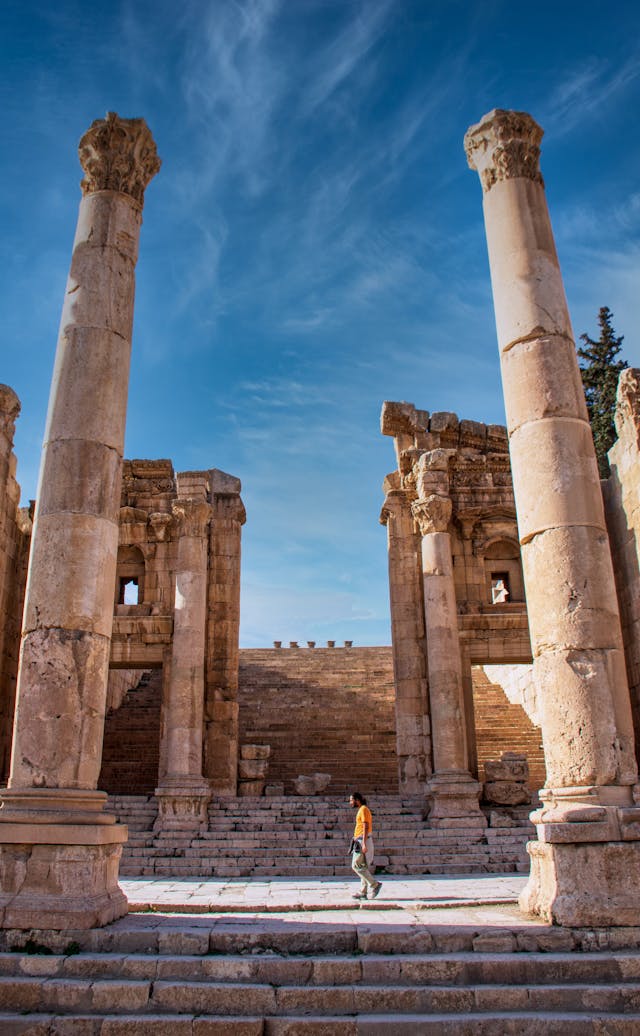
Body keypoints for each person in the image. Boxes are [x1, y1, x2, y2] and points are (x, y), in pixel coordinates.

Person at [349, 791, 382, 900]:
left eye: (351, 800)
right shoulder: (362, 809)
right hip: (360, 840)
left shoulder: (363, 809)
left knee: (356, 865)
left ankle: (375, 884)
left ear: (357, 800)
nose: (350, 803)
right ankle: (363, 892)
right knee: (362, 866)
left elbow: (365, 825)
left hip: (363, 841)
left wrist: (363, 843)